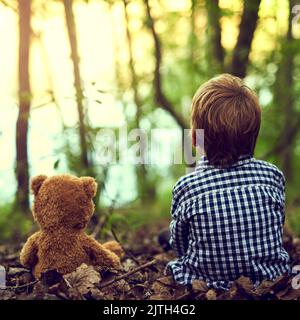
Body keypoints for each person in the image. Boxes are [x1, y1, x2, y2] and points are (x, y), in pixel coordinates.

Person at [165, 74, 290, 289]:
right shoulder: (273, 176)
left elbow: (180, 246)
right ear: (254, 137)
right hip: (270, 280)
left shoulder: (187, 187)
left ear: (195, 139)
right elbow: (276, 226)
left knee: (176, 255)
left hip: (206, 281)